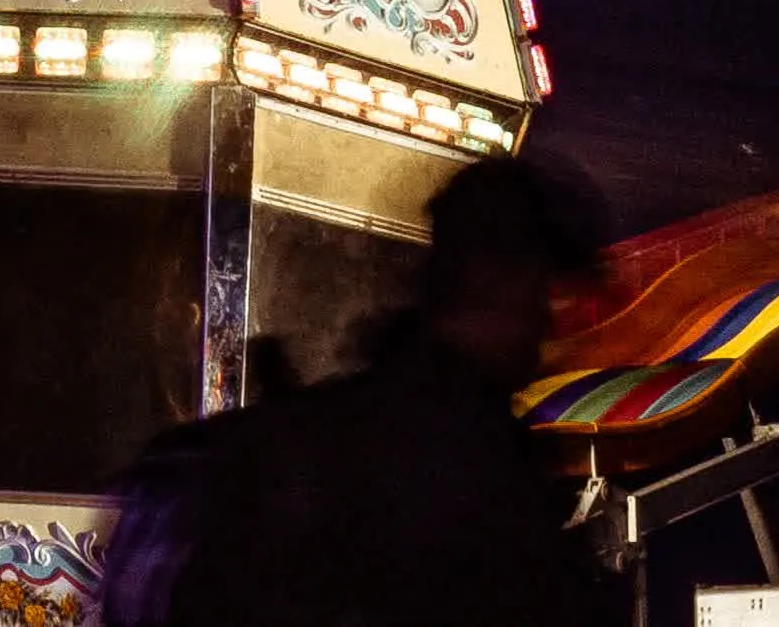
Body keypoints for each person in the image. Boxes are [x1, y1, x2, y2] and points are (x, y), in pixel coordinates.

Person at [105, 155, 613, 627]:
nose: (547, 320)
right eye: (540, 287)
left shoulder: (299, 442)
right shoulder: (465, 472)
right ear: (488, 277)